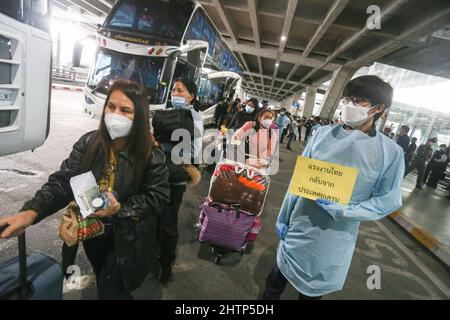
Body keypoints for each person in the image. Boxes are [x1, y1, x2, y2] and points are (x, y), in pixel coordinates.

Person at [0, 80, 171, 299]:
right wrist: (31, 212)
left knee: (114, 288)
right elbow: (63, 182)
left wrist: (121, 209)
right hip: (93, 234)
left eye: (125, 110)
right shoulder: (90, 142)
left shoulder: (151, 156)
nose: (114, 114)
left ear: (138, 117)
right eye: (111, 106)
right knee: (103, 278)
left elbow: (158, 197)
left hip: (126, 240)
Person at [263, 75, 404, 300]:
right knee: (275, 281)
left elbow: (387, 199)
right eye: (347, 99)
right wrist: (284, 217)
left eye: (358, 101)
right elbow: (297, 183)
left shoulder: (390, 153)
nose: (349, 105)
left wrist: (345, 210)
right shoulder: (322, 134)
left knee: (311, 292)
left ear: (378, 108)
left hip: (334, 235)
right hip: (300, 223)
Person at [157, 78, 203, 284]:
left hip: (175, 174)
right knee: (154, 214)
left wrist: (168, 142)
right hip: (157, 170)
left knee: (168, 220)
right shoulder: (167, 111)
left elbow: (194, 151)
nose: (175, 93)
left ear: (191, 96)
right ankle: (153, 253)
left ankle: (166, 264)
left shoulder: (194, 118)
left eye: (180, 90)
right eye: (174, 90)